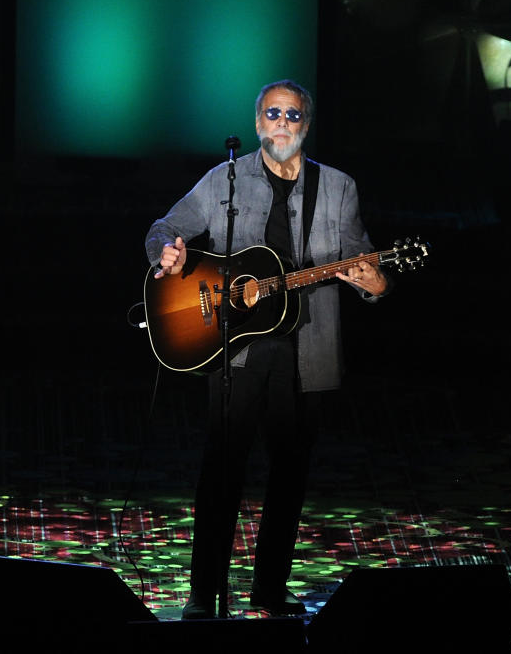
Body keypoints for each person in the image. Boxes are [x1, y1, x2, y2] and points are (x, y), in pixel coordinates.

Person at [144, 79, 390, 619]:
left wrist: (375, 285)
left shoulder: (339, 187)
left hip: (307, 350)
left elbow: (362, 260)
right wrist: (168, 253)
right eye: (273, 114)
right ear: (258, 124)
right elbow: (165, 226)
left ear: (307, 124)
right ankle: (203, 594)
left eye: (293, 115)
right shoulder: (225, 179)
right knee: (221, 471)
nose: (282, 123)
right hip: (236, 349)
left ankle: (268, 592)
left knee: (290, 475)